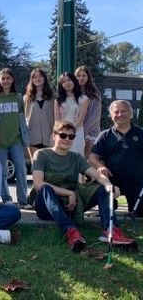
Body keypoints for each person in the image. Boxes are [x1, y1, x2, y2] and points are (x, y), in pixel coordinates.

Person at [32, 120, 135, 252]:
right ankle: (70, 231)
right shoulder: (41, 154)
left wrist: (109, 185)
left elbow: (97, 175)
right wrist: (69, 193)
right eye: (63, 135)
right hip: (47, 206)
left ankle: (111, 231)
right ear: (54, 136)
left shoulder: (76, 157)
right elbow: (38, 184)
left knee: (102, 189)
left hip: (72, 205)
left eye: (71, 136)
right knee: (46, 188)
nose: (67, 139)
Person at [89, 100, 143, 217]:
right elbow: (92, 156)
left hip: (136, 179)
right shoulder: (104, 135)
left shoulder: (140, 133)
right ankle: (111, 204)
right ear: (111, 115)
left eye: (123, 111)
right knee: (105, 209)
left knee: (139, 214)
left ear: (130, 113)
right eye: (116, 112)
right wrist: (100, 166)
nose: (120, 114)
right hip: (112, 179)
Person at [0, 68, 30, 209]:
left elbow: (23, 119)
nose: (6, 81)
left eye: (8, 78)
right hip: (0, 142)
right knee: (1, 172)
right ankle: (6, 198)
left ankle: (23, 200)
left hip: (16, 140)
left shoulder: (18, 98)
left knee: (20, 168)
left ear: (12, 80)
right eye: (3, 78)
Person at [54, 72, 89, 157]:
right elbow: (57, 120)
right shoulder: (57, 101)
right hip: (61, 134)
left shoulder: (84, 99)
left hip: (77, 133)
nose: (67, 83)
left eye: (69, 80)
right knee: (61, 157)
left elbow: (81, 119)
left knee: (76, 158)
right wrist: (59, 134)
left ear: (74, 81)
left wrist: (70, 133)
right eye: (63, 82)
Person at [23, 68, 55, 159]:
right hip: (32, 136)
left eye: (40, 76)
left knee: (49, 167)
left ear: (44, 78)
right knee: (36, 165)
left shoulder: (53, 96)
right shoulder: (27, 98)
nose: (38, 79)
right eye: (35, 77)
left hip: (50, 136)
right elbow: (25, 116)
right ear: (32, 80)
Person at [75, 66, 101, 159]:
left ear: (88, 77)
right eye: (78, 75)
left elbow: (95, 115)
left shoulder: (95, 92)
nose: (81, 78)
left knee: (89, 159)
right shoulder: (73, 92)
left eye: (84, 75)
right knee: (78, 158)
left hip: (91, 131)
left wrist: (84, 130)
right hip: (76, 130)